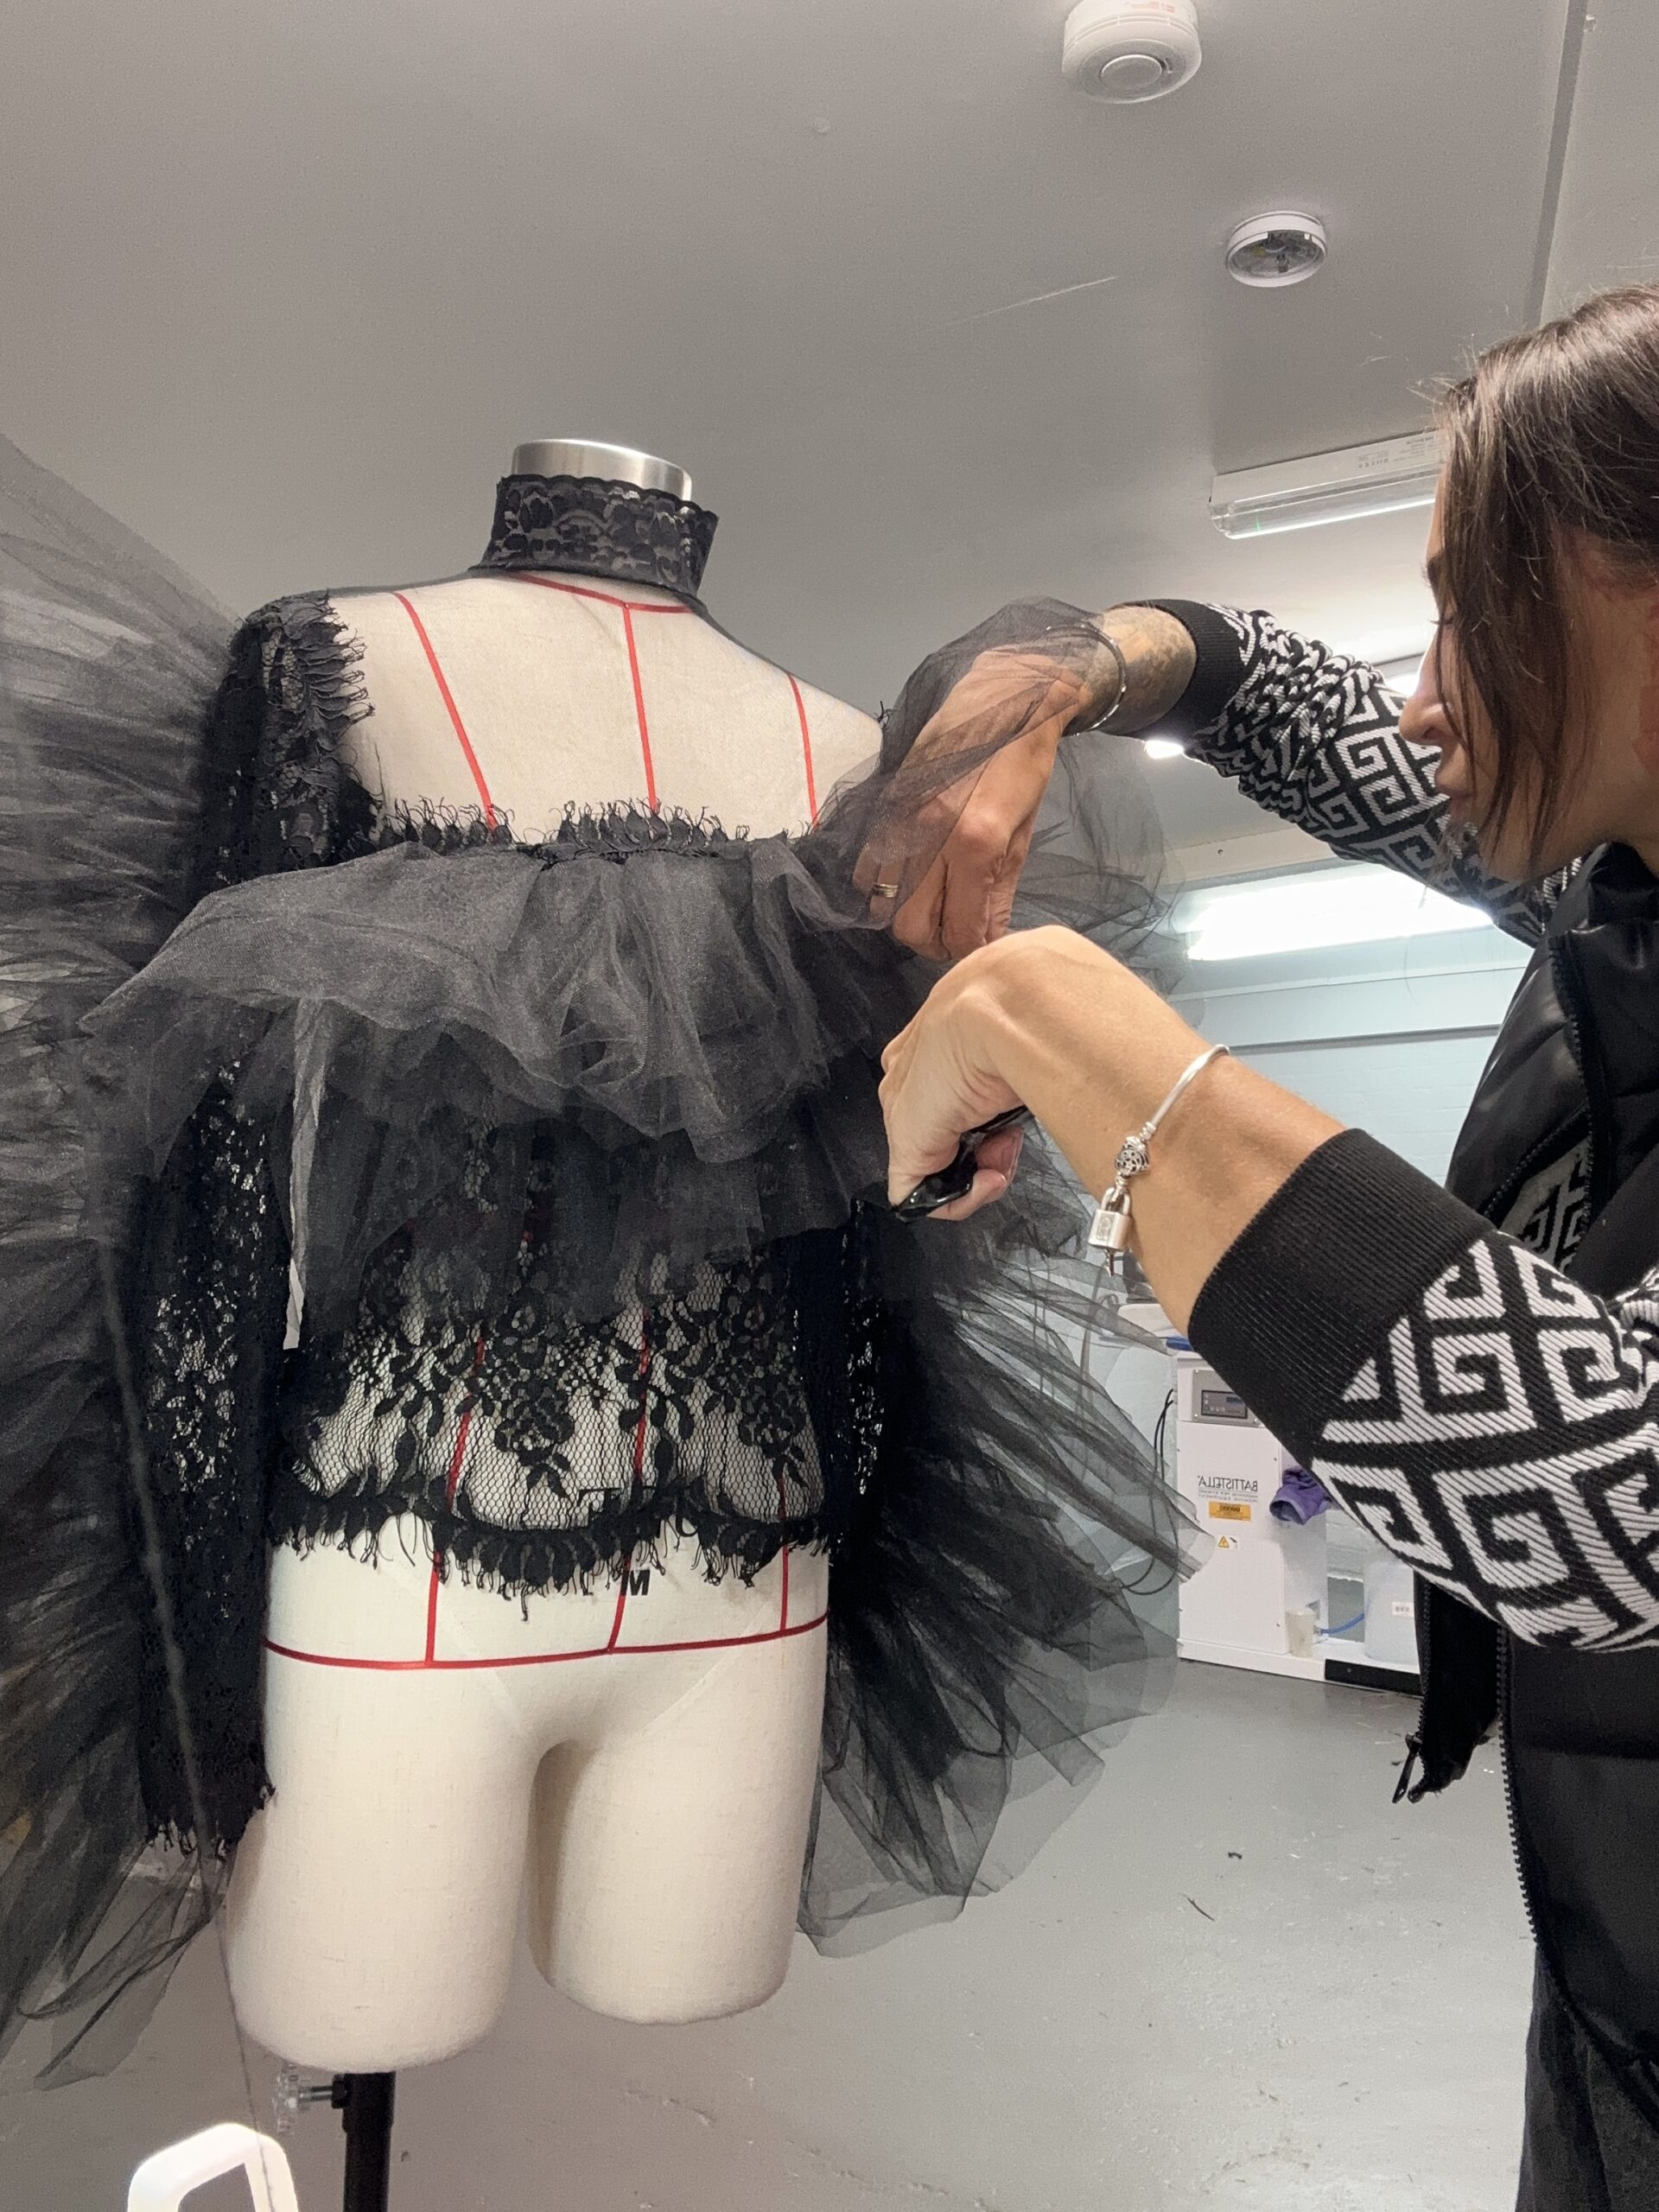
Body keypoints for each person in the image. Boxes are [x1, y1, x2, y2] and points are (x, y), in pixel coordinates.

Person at [876, 284, 1659, 2211]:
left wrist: (1062, 1020)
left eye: (1473, 610)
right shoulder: (1619, 891)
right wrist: (1070, 667)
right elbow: (1283, 697)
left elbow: (1620, 1503)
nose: (1423, 688)